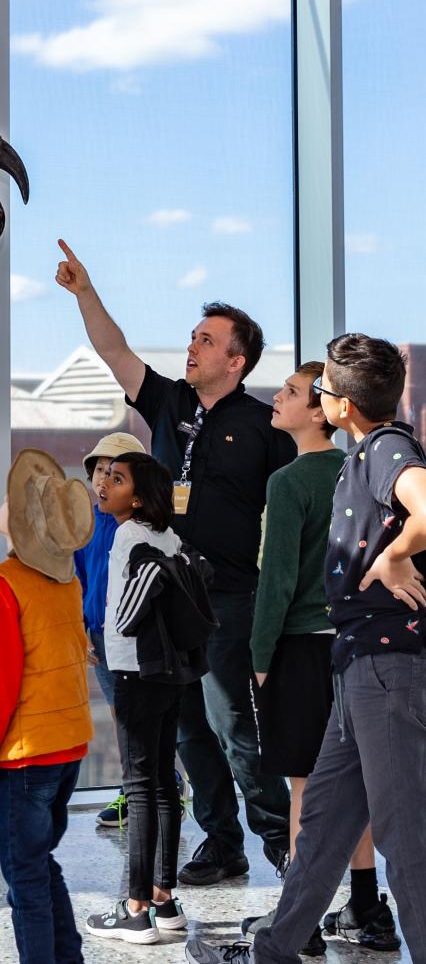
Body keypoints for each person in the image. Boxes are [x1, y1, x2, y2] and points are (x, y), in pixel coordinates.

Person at [55, 239, 294, 884]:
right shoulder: (169, 402)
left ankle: (283, 844)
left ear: (236, 361)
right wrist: (84, 292)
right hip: (162, 592)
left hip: (228, 597)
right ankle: (222, 844)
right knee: (186, 727)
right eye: (192, 335)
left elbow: (298, 509)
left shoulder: (267, 423)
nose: (192, 346)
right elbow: (114, 352)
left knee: (233, 726)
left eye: (206, 340)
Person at [187, 333, 426, 964]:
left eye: (318, 389)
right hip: (356, 666)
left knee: (404, 836)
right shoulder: (360, 456)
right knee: (321, 824)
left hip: (387, 670)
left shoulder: (387, 448)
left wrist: (397, 556)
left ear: (341, 404)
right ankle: (275, 949)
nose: (312, 394)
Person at [242, 362, 396, 953]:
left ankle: (298, 920)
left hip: (300, 648)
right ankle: (365, 907)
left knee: (307, 787)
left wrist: (259, 654)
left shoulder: (288, 482)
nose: (275, 399)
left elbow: (275, 578)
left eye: (290, 392)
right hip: (356, 642)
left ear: (319, 412)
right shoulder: (361, 470)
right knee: (354, 783)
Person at [85, 453, 215, 945]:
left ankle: (135, 909)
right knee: (163, 783)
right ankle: (164, 898)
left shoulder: (129, 536)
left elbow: (123, 616)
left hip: (135, 672)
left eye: (117, 480)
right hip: (170, 673)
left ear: (136, 499)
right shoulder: (169, 537)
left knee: (139, 786)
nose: (104, 485)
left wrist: (120, 621)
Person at [0, 448, 95, 964]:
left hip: (27, 752)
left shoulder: (3, 584)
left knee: (24, 878)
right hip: (70, 743)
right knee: (39, 863)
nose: (4, 501)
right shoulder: (67, 581)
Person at [74, 430, 147, 827]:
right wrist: (82, 630)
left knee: (142, 715)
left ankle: (158, 785)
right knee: (121, 714)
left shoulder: (138, 528)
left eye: (115, 474)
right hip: (100, 635)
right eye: (100, 471)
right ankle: (132, 788)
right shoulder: (85, 523)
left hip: (134, 636)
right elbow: (79, 580)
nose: (104, 480)